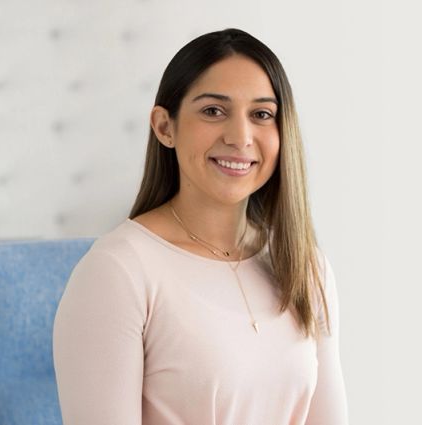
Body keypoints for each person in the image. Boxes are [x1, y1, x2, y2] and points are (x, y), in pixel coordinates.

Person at [52, 28, 348, 424]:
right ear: (164, 127)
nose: (240, 137)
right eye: (213, 111)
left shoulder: (305, 266)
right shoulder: (117, 272)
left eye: (262, 115)